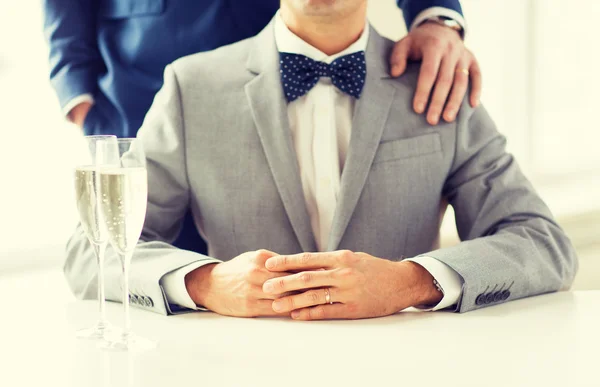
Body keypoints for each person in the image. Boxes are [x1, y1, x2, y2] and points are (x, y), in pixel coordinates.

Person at [65, 0, 577, 319]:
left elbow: (544, 244)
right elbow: (90, 252)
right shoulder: (190, 88)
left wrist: (410, 282)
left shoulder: (438, 84)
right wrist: (206, 284)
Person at [45, 0, 479, 255]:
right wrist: (80, 96)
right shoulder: (183, 88)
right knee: (151, 283)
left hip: (279, 81)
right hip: (138, 95)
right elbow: (93, 252)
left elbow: (531, 234)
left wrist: (435, 16)